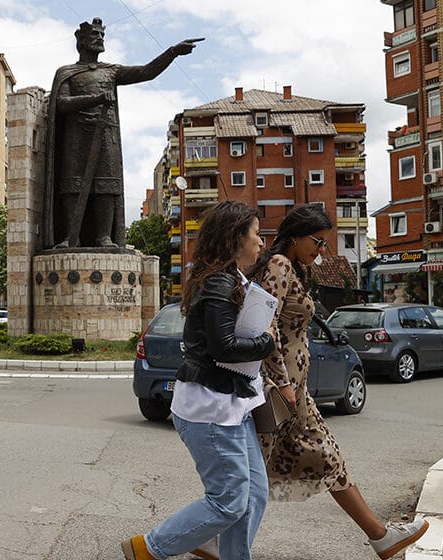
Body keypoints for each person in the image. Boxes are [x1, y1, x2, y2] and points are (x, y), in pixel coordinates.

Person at [248, 204, 429, 559]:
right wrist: (283, 384)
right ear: (295, 236)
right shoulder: (279, 265)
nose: (320, 250)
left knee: (326, 458)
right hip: (278, 391)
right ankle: (209, 536)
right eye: (317, 241)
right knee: (254, 469)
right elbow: (265, 329)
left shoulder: (293, 269)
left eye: (324, 243)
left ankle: (380, 535)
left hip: (295, 390)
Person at [122, 201, 276, 560]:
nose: (261, 242)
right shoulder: (219, 282)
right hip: (212, 408)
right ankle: (149, 548)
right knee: (229, 500)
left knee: (253, 495)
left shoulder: (231, 279)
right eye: (256, 234)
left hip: (233, 405)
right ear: (236, 237)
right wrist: (267, 341)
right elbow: (224, 348)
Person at [42, 17, 201, 249]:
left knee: (107, 185)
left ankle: (104, 237)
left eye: (102, 35)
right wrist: (96, 98)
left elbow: (146, 72)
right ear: (81, 41)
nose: (100, 38)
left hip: (105, 135)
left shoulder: (111, 71)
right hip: (76, 137)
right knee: (72, 185)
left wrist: (172, 52)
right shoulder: (67, 72)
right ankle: (70, 237)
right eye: (94, 35)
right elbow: (62, 103)